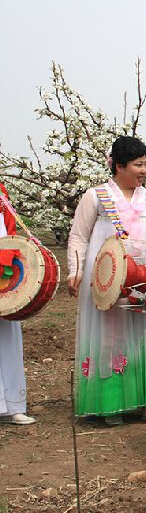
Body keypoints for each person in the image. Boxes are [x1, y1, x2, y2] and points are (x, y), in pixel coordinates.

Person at [67, 136, 146, 426]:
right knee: (108, 334)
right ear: (120, 165)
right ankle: (111, 403)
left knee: (144, 332)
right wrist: (75, 270)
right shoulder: (96, 196)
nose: (144, 171)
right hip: (105, 278)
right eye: (138, 165)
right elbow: (79, 235)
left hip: (142, 278)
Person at [0, 182, 36, 425]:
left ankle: (12, 405)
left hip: (3, 265)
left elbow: (9, 228)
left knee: (7, 335)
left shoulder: (1, 190)